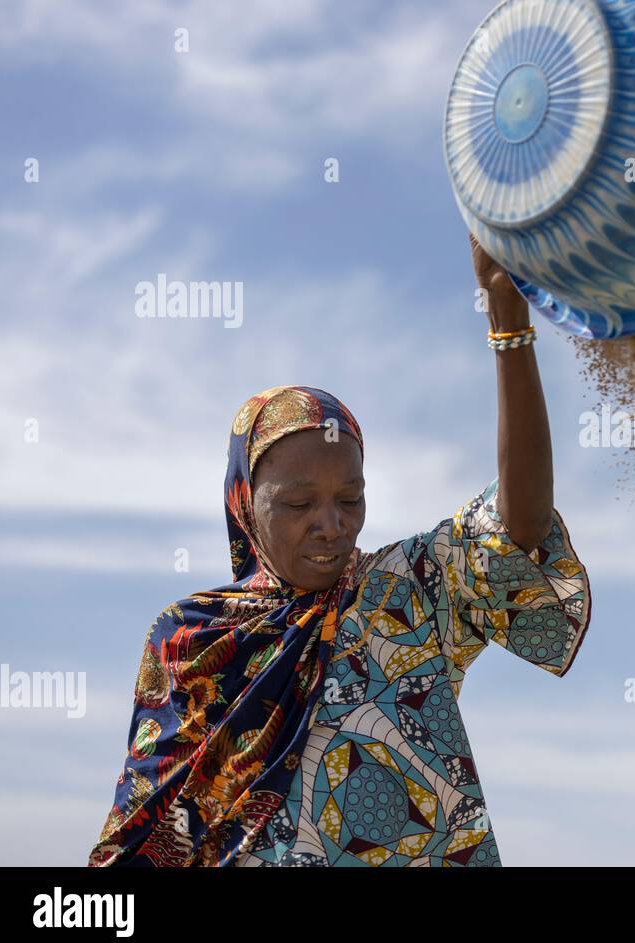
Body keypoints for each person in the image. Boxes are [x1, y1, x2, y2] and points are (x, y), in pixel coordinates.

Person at [87, 235, 592, 866]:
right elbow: (150, 830)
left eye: (350, 499)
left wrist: (509, 329)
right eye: (299, 505)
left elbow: (519, 527)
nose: (331, 525)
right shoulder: (189, 641)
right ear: (246, 503)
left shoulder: (406, 593)